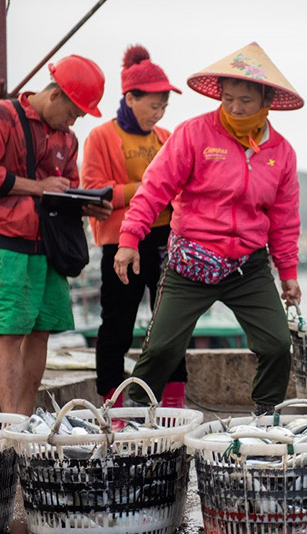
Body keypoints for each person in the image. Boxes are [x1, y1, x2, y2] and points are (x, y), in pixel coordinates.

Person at [114, 42, 303, 415]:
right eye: (228, 98)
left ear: (266, 100)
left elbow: (284, 219)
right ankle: (134, 416)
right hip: (191, 260)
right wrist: (129, 238)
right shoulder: (194, 134)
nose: (235, 108)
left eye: (246, 100)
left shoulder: (281, 152)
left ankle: (266, 417)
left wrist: (289, 273)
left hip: (247, 265)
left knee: (278, 344)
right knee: (163, 347)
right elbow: (154, 189)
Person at [0, 55, 113, 415]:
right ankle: (11, 422)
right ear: (56, 94)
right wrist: (39, 187)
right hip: (9, 242)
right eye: (74, 111)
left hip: (49, 246)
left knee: (41, 331)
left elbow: (68, 187)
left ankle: (26, 418)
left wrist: (86, 205)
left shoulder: (68, 138)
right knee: (10, 333)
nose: (74, 120)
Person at [81, 45, 186, 409]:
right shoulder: (101, 137)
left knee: (171, 322)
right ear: (130, 98)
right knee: (117, 323)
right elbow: (93, 192)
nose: (158, 114)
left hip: (164, 237)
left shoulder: (167, 136)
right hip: (119, 241)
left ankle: (174, 400)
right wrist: (147, 188)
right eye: (153, 106)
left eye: (163, 108)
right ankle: (113, 401)